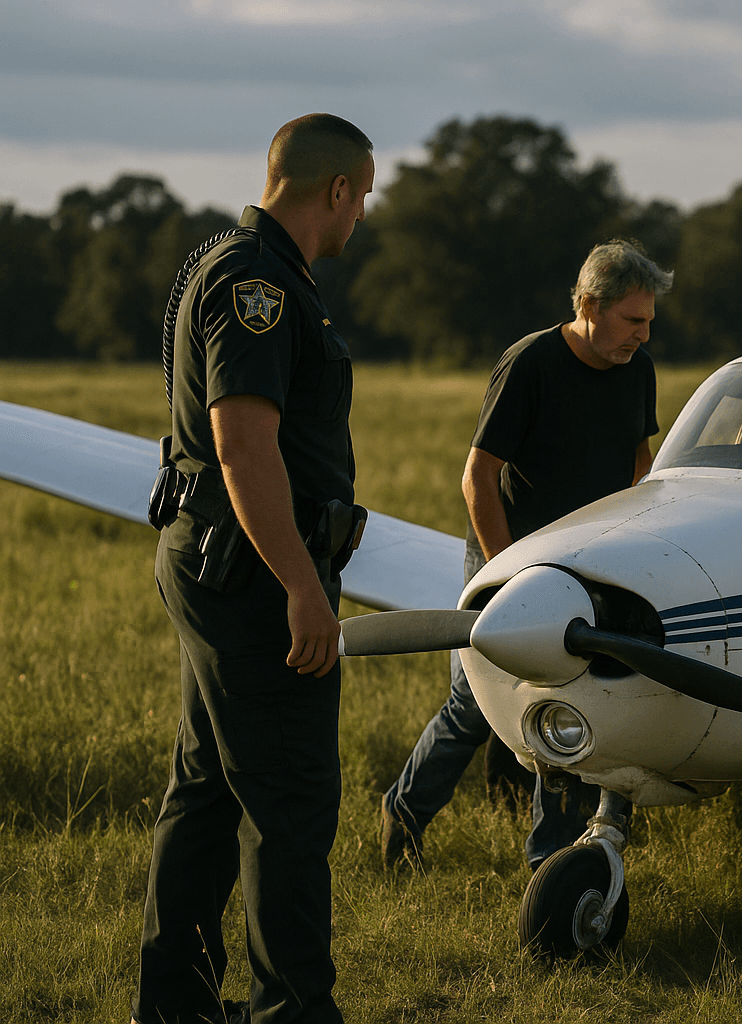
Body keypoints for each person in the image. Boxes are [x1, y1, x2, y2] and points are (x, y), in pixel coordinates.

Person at [134, 113, 373, 1024]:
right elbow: (242, 446)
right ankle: (294, 1012)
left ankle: (175, 1010)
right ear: (337, 190)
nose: (363, 220)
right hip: (254, 578)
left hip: (218, 564)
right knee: (292, 803)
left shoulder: (239, 263)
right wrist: (302, 589)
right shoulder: (258, 285)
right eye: (364, 199)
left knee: (205, 793)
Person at [380, 238, 672, 872]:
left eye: (649, 321)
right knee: (473, 703)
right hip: (506, 555)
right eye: (632, 320)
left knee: (567, 694)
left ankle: (550, 861)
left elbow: (638, 462)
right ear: (589, 305)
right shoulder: (530, 363)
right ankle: (401, 817)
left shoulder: (636, 369)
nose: (643, 336)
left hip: (588, 565)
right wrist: (506, 572)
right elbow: (478, 477)